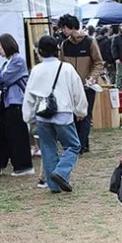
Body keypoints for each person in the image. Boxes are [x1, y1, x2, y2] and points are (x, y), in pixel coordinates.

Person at [24, 36, 88, 193]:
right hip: (63, 113)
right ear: (57, 51)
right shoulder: (67, 68)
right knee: (73, 146)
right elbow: (77, 91)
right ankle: (61, 172)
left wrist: (29, 117)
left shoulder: (36, 70)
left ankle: (54, 186)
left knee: (47, 148)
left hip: (42, 115)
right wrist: (80, 111)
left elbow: (29, 96)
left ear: (40, 52)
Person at [0, 35, 34, 176]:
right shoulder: (7, 63)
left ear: (7, 45)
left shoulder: (18, 60)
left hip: (16, 101)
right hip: (7, 101)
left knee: (17, 134)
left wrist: (0, 79)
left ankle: (24, 166)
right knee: (0, 132)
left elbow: (4, 79)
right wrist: (0, 79)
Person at [55, 14, 102, 153]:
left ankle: (80, 145)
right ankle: (81, 144)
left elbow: (98, 62)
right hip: (70, 87)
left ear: (72, 27)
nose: (63, 30)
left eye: (64, 27)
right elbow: (61, 64)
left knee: (85, 115)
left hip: (87, 85)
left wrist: (92, 77)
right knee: (73, 115)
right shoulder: (65, 45)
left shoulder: (90, 42)